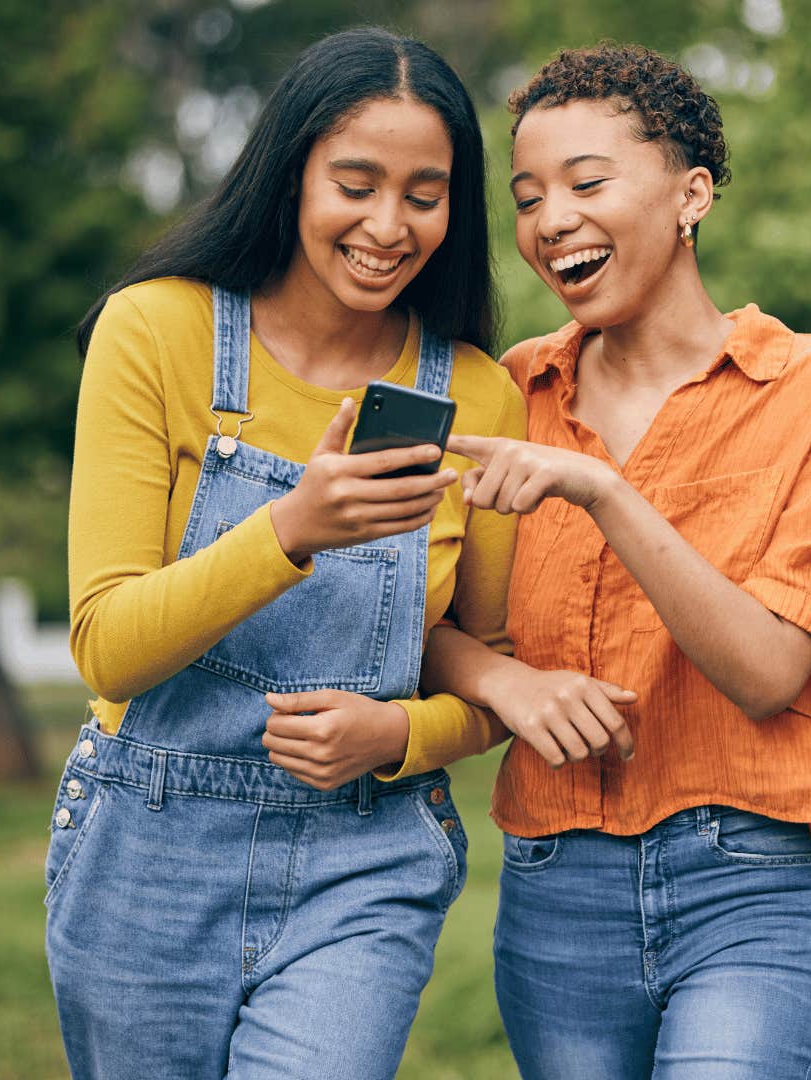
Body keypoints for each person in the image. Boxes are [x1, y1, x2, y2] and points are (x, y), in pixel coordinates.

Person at [44, 28, 527, 1079]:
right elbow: (108, 648)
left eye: (425, 194)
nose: (387, 226)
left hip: (365, 857)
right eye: (355, 183)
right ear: (289, 171)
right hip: (147, 852)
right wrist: (291, 530)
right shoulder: (155, 333)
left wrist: (397, 731)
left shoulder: (483, 398)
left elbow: (490, 674)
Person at [421, 43, 811, 1078]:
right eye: (528, 196)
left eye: (587, 182)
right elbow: (425, 628)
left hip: (752, 879)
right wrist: (505, 681)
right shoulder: (509, 394)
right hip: (556, 884)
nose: (552, 220)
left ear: (691, 196)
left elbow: (772, 674)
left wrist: (602, 492)